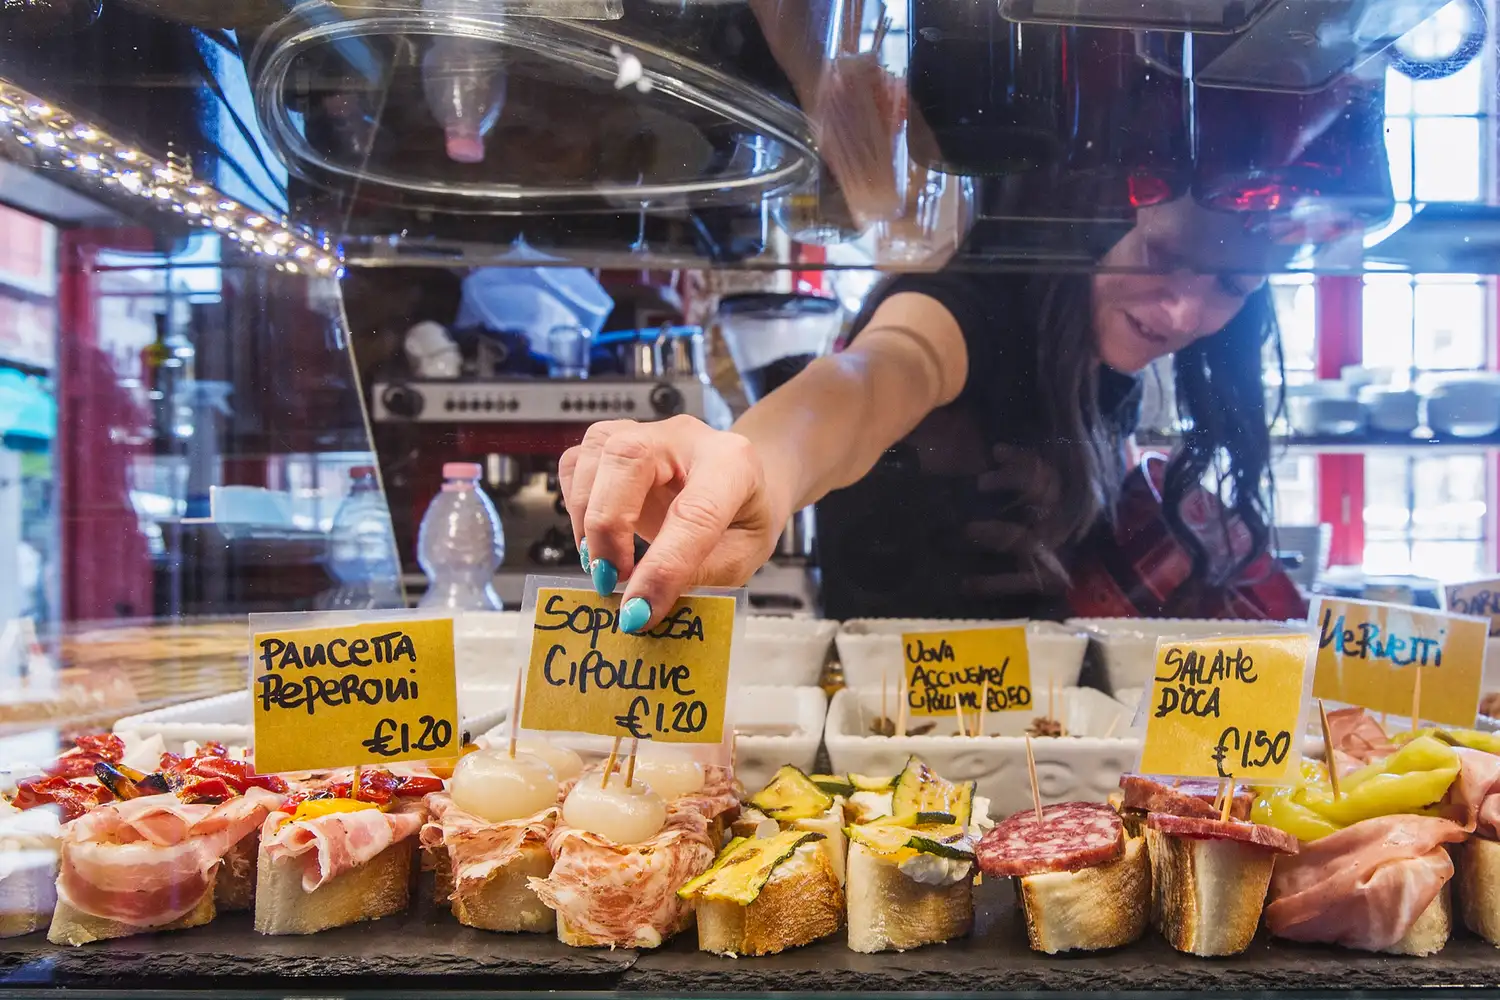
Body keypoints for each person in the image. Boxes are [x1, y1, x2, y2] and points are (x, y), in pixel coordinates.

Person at [560, 195, 1299, 634]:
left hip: (1038, 725)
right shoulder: (970, 299)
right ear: (1098, 219)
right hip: (891, 725)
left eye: (1232, 285)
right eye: (1160, 251)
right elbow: (872, 376)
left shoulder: (1112, 369)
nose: (1180, 309)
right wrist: (756, 462)